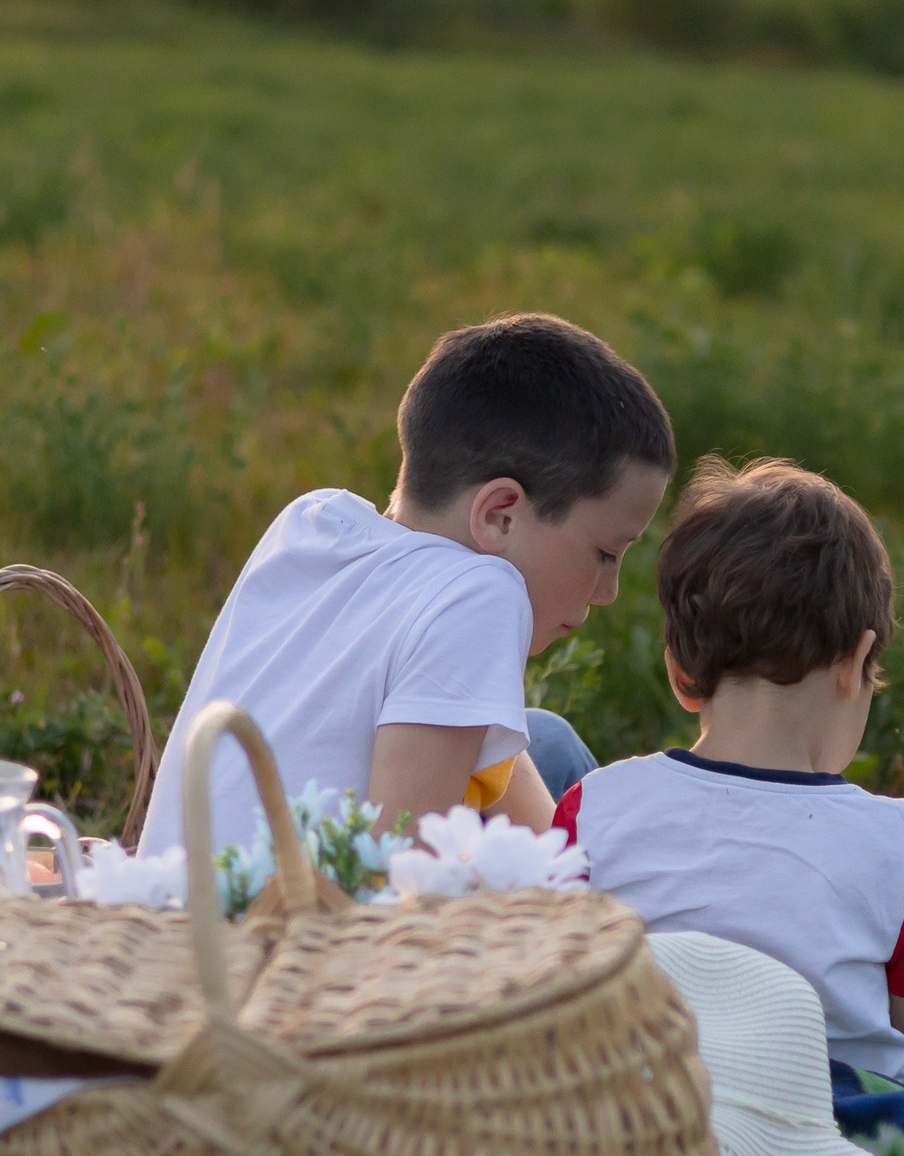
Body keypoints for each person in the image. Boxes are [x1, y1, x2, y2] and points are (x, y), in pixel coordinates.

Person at [554, 457, 904, 1087]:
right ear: (856, 663)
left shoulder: (592, 805)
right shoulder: (898, 841)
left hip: (654, 1118)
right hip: (832, 1139)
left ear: (681, 670)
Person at [139, 313, 674, 856]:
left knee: (544, 737)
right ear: (501, 516)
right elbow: (399, 877)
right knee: (556, 758)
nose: (608, 590)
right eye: (606, 554)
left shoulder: (308, 522)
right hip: (291, 929)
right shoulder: (482, 594)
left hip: (175, 901)